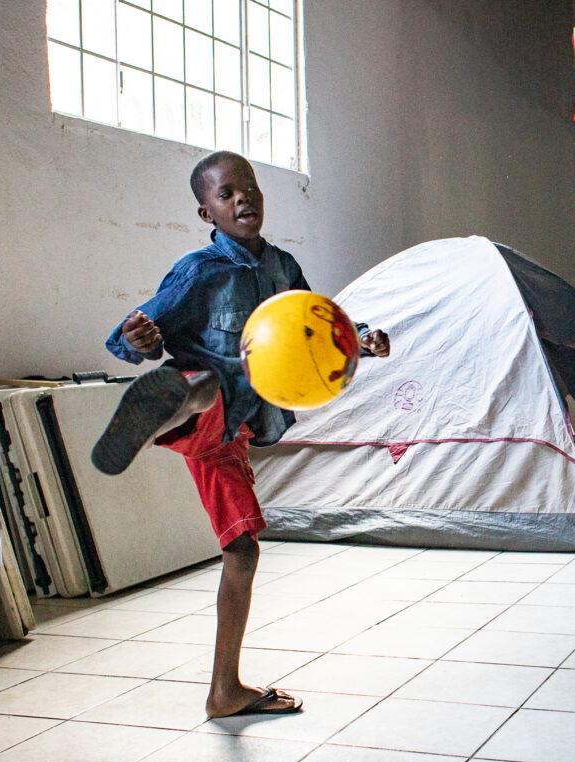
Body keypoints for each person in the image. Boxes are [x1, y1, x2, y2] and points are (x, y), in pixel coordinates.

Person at [92, 151, 390, 718]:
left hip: (229, 437)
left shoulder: (281, 268)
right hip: (196, 405)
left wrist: (364, 339)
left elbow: (322, 321)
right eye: (226, 194)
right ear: (207, 212)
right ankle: (164, 406)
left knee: (244, 552)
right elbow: (131, 337)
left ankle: (224, 692)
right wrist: (142, 339)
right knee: (213, 377)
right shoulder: (198, 272)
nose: (242, 199)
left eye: (249, 188)